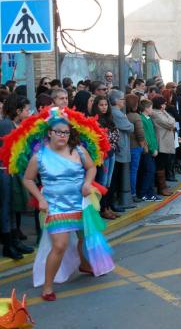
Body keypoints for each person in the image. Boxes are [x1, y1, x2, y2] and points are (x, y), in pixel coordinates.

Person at [20, 108, 113, 301]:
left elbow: (91, 167)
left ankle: (85, 264)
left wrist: (87, 183)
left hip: (81, 204)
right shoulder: (40, 157)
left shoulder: (78, 150)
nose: (62, 135)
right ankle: (47, 287)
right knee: (60, 246)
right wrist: (41, 198)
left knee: (85, 237)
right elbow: (28, 180)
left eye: (66, 132)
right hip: (56, 207)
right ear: (49, 133)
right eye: (58, 132)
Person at [0, 95, 35, 260]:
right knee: (6, 208)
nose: (29, 112)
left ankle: (15, 240)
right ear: (18, 110)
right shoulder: (6, 125)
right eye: (27, 109)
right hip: (5, 171)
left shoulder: (18, 124)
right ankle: (8, 244)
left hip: (14, 170)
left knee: (14, 205)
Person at [91, 95, 120, 219]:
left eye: (105, 105)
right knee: (102, 183)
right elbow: (102, 139)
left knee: (108, 182)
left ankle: (107, 207)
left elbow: (114, 136)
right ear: (96, 106)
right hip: (102, 156)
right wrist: (109, 139)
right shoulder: (94, 120)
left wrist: (110, 139)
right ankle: (102, 209)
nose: (104, 107)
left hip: (111, 153)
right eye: (101, 105)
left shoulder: (109, 118)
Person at [109, 90, 134, 209]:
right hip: (120, 147)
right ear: (116, 101)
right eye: (122, 99)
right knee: (115, 176)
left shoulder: (118, 113)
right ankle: (114, 202)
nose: (124, 101)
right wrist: (128, 121)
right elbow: (130, 127)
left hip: (121, 146)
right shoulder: (117, 113)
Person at [151, 96, 176, 197]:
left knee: (164, 163)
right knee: (160, 164)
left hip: (166, 141)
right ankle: (161, 187)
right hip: (161, 142)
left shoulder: (162, 112)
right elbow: (170, 123)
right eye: (164, 103)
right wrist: (165, 113)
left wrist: (164, 111)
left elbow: (172, 120)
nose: (166, 105)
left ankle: (163, 185)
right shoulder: (156, 114)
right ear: (160, 105)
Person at [125, 94, 146, 202]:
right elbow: (140, 133)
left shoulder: (124, 115)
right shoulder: (135, 116)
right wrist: (142, 145)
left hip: (126, 147)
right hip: (135, 146)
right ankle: (132, 193)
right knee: (133, 171)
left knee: (127, 171)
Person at [138, 99, 160, 202]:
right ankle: (143, 193)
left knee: (151, 171)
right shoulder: (142, 119)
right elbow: (147, 137)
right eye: (151, 108)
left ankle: (151, 193)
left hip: (152, 149)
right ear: (146, 108)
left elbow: (153, 136)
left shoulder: (148, 118)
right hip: (147, 151)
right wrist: (152, 149)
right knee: (149, 170)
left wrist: (156, 147)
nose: (152, 110)